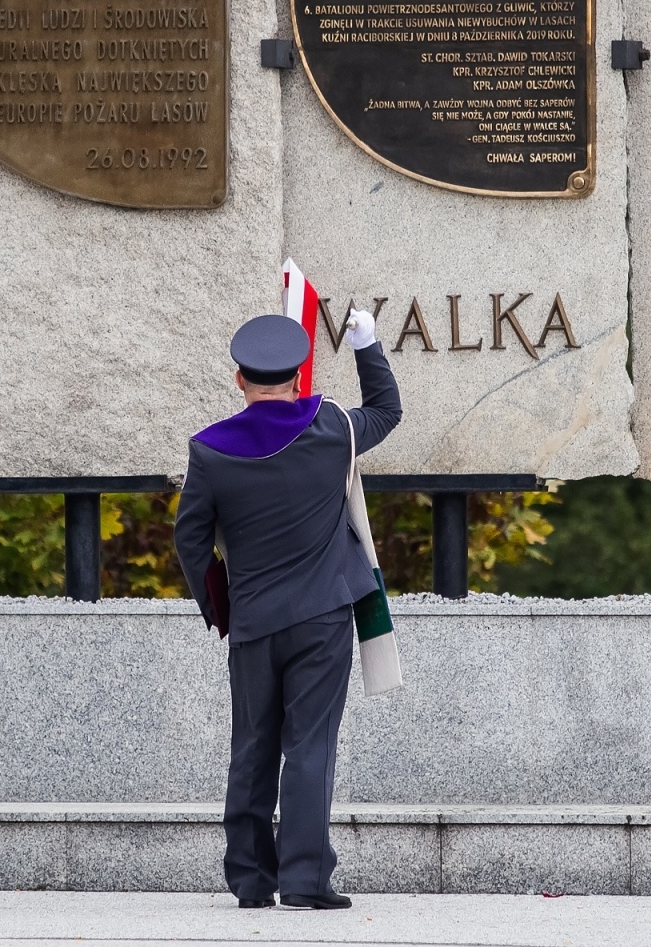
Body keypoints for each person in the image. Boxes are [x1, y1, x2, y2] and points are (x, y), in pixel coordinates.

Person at [173, 309, 402, 910]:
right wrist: (366, 344)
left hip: (253, 621)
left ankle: (251, 881)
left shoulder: (209, 450)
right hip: (323, 617)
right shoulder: (332, 429)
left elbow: (190, 542)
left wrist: (221, 607)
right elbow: (386, 411)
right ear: (299, 377)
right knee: (309, 746)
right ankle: (304, 880)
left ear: (239, 380)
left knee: (252, 747)